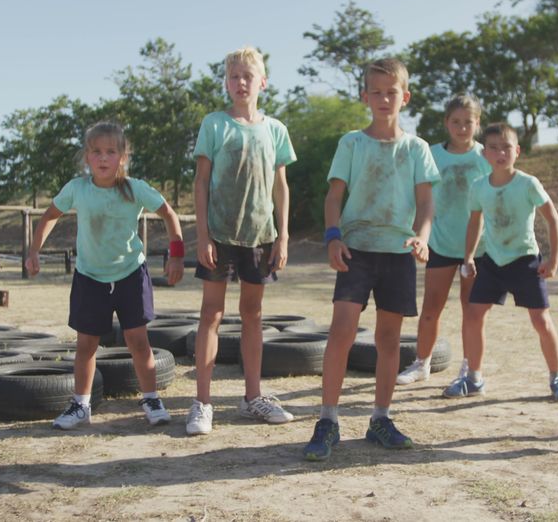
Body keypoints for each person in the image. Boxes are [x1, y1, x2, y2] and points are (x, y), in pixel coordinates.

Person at [303, 58, 440, 461]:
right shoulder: (352, 143)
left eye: (391, 92)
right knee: (342, 329)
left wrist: (422, 237)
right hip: (356, 248)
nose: (384, 99)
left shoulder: (417, 148)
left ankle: (381, 417)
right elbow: (334, 196)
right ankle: (327, 420)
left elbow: (426, 201)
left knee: (389, 339)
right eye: (376, 92)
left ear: (405, 97)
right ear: (365, 97)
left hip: (398, 253)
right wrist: (332, 238)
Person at [26, 121, 185, 430]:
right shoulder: (77, 189)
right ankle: (80, 404)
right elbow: (49, 216)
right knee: (86, 344)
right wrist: (34, 251)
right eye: (96, 152)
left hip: (130, 275)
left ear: (122, 157)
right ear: (87, 157)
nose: (103, 158)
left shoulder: (134, 188)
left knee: (138, 341)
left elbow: (168, 213)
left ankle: (151, 398)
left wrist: (176, 255)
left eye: (111, 152)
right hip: (90, 277)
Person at [188, 46, 297, 436]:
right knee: (211, 315)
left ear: (262, 82)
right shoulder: (214, 125)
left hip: (260, 236)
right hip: (218, 233)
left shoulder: (276, 130)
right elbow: (201, 182)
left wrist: (283, 236)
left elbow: (280, 186)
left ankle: (254, 397)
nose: (241, 82)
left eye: (248, 76)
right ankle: (202, 403)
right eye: (233, 76)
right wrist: (202, 235)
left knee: (253, 314)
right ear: (226, 83)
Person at [450, 122, 558, 402]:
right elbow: (475, 222)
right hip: (492, 261)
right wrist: (468, 257)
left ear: (517, 151)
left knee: (540, 320)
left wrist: (554, 259)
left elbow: (552, 218)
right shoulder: (479, 187)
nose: (500, 153)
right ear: (484, 154)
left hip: (525, 260)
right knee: (473, 315)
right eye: (493, 148)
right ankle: (474, 378)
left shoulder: (527, 183)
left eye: (506, 147)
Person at [397, 94, 490, 386]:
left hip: (475, 249)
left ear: (477, 124)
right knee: (431, 308)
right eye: (456, 122)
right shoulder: (432, 153)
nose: (462, 128)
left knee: (471, 312)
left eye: (468, 122)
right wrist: (415, 235)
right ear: (446, 123)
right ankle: (422, 363)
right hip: (439, 243)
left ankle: (470, 368)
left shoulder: (485, 156)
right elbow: (419, 197)